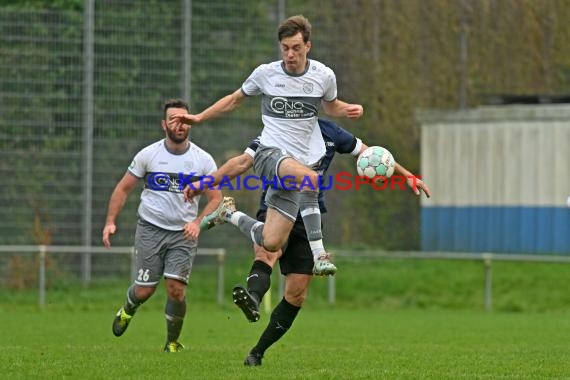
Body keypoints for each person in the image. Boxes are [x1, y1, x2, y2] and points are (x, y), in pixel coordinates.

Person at [185, 118, 432, 366]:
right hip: (276, 205)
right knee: (268, 253)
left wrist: (406, 175)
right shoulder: (276, 130)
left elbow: (374, 155)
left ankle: (257, 352)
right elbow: (241, 162)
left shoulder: (331, 132)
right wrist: (204, 183)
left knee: (296, 293)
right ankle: (253, 299)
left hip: (308, 214)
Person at [172, 15, 364, 278]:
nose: (290, 54)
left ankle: (227, 214)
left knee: (271, 241)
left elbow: (330, 106)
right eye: (285, 48)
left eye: (296, 48)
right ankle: (320, 255)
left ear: (308, 46)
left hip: (294, 166)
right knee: (311, 178)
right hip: (269, 155)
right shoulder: (266, 74)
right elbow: (233, 100)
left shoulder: (324, 76)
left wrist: (349, 109)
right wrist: (199, 117)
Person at [102, 99, 222, 353]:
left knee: (176, 290)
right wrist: (110, 222)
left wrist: (198, 222)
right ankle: (128, 309)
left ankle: (172, 343)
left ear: (190, 123)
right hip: (150, 228)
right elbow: (123, 189)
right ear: (163, 124)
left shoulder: (203, 160)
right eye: (173, 119)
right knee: (145, 291)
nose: (179, 124)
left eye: (184, 119)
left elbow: (216, 199)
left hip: (183, 233)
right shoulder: (148, 155)